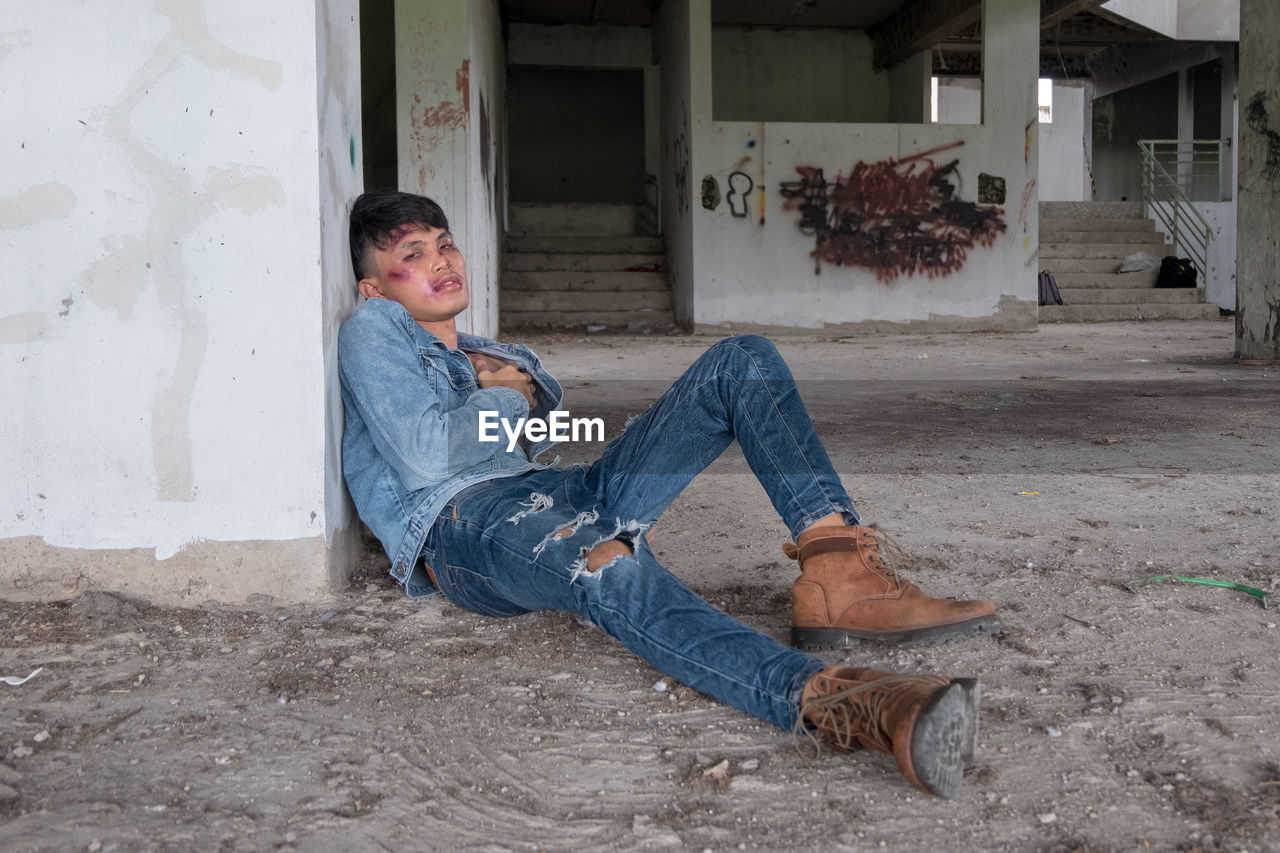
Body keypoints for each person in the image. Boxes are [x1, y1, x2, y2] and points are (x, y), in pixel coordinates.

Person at [338, 189, 1000, 799]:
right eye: (412, 253)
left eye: (444, 242)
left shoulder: (482, 352)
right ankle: (843, 699)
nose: (441, 258)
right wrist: (508, 395)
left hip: (551, 490)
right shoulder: (375, 327)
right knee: (606, 562)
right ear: (375, 285)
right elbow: (425, 455)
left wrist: (524, 406)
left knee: (741, 362)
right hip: (465, 527)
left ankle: (840, 572)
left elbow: (547, 434)